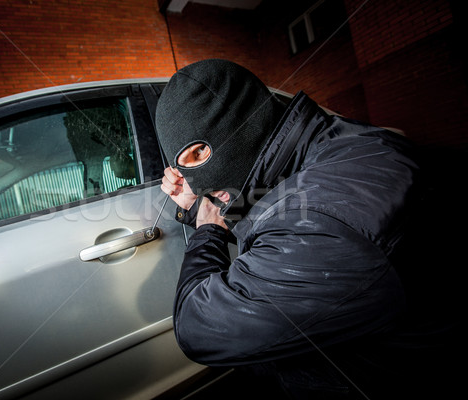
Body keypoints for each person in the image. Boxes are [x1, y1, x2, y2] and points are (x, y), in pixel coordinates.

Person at [155, 59, 459, 399]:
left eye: (200, 153)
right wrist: (204, 201)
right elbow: (269, 210)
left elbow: (201, 329)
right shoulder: (326, 146)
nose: (197, 180)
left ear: (244, 124)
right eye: (184, 163)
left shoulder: (322, 221)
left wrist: (207, 227)